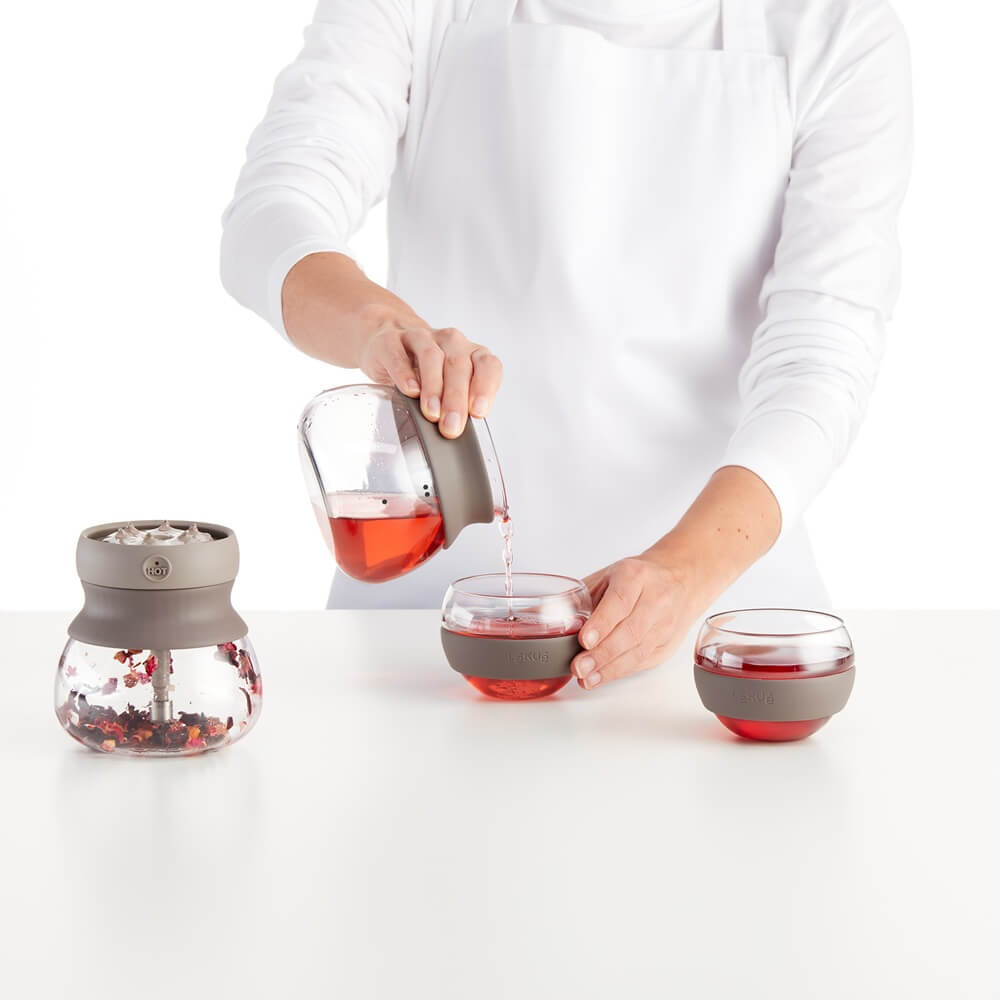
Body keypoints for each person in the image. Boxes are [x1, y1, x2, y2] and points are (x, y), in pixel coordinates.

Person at [221, 0, 912, 690]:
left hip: (715, 641)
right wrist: (381, 325)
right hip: (425, 643)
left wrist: (685, 570)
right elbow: (274, 212)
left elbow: (819, 356)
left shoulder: (837, 28)